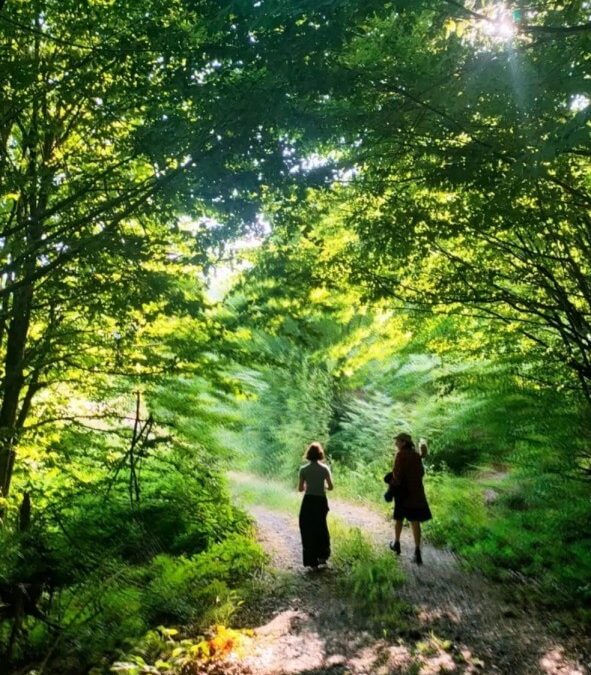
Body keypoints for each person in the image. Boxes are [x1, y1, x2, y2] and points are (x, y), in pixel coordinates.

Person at [388, 432, 432, 565]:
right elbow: (421, 473)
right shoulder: (416, 455)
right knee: (415, 521)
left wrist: (391, 484)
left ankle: (397, 544)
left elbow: (397, 475)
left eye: (398, 441)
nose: (396, 443)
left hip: (403, 493)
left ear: (404, 442)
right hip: (416, 493)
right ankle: (417, 552)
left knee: (399, 519)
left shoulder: (400, 455)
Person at [298, 441, 333, 568]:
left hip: (308, 501)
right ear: (320, 454)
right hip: (321, 501)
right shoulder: (325, 469)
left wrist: (308, 485)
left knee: (308, 528)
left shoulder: (303, 470)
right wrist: (322, 486)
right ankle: (323, 556)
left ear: (308, 454)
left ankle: (311, 560)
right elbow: (331, 487)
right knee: (321, 527)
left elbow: (300, 489)